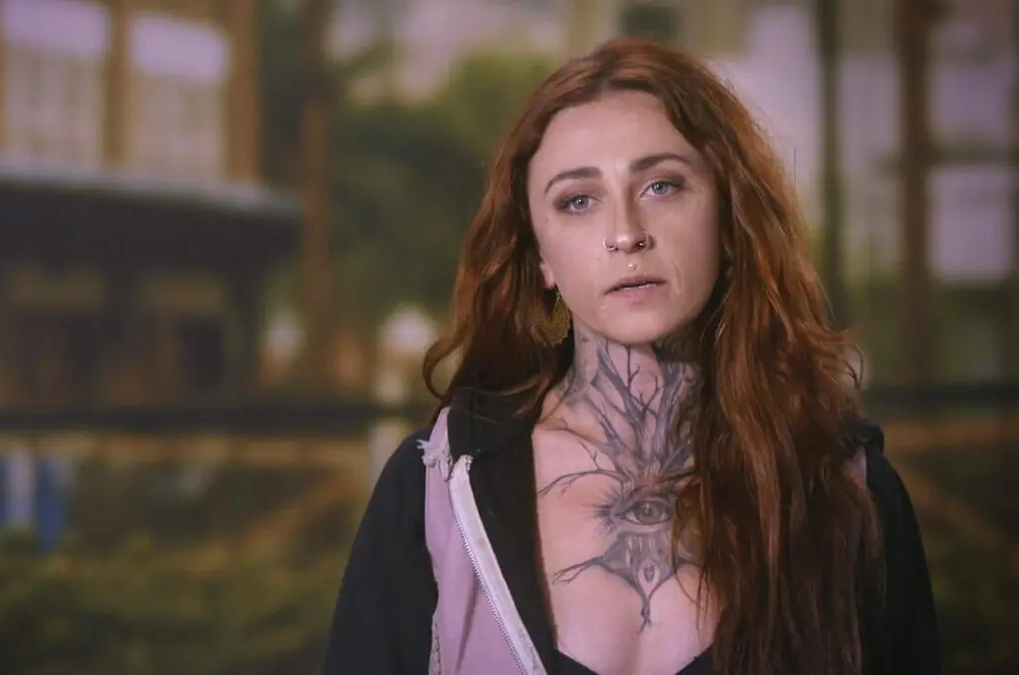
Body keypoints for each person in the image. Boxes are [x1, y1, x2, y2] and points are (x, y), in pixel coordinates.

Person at [321, 37, 940, 675]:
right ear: (541, 258)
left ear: (728, 218)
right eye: (578, 201)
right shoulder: (439, 490)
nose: (626, 233)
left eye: (662, 185)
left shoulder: (846, 491)